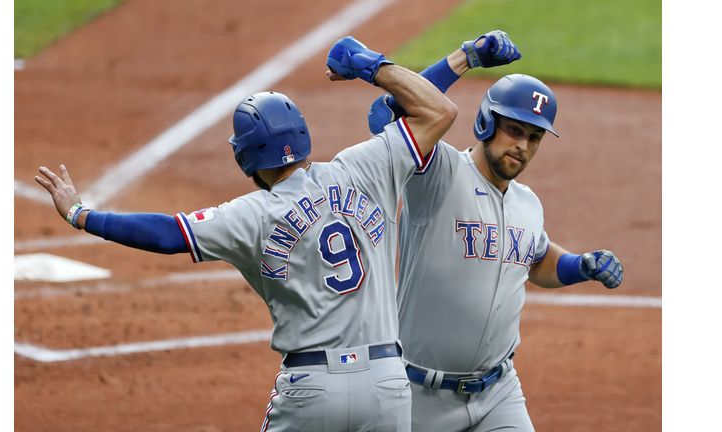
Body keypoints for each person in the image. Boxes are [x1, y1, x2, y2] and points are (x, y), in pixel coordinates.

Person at [35, 36, 457, 432]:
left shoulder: (250, 214)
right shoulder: (365, 167)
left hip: (311, 389)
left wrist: (79, 213)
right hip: (386, 382)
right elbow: (439, 111)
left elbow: (168, 235)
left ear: (245, 156)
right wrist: (370, 66)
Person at [367, 32, 624, 431]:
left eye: (534, 137)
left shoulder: (528, 203)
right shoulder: (439, 173)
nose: (523, 145)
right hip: (420, 397)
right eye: (515, 130)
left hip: (499, 393)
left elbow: (535, 258)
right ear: (486, 121)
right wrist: (465, 58)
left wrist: (580, 265)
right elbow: (391, 113)